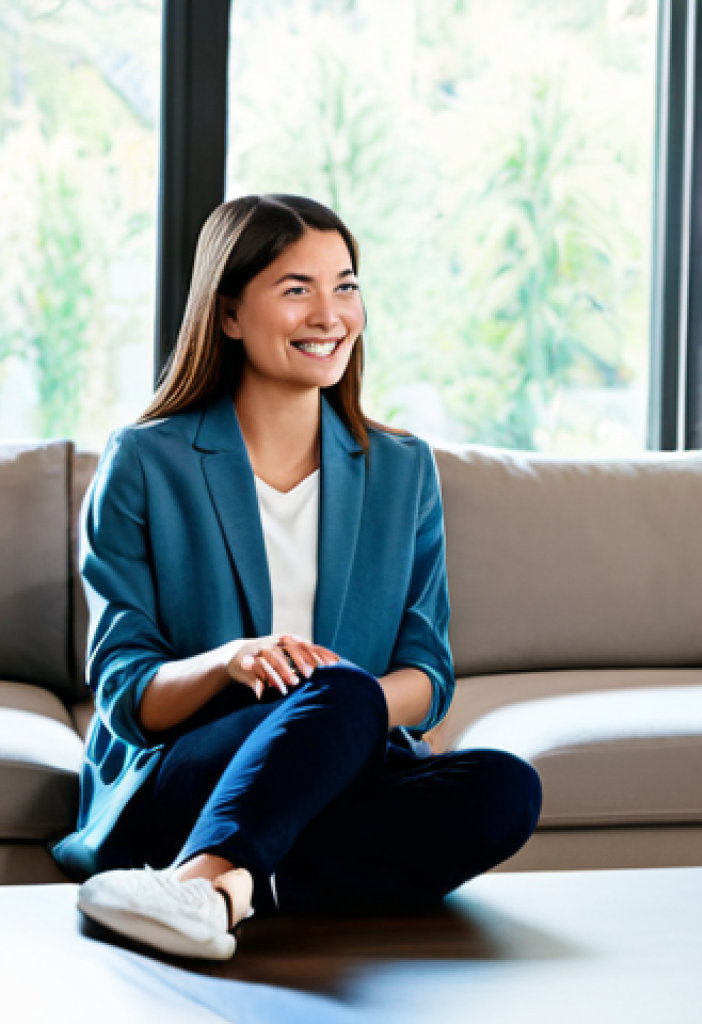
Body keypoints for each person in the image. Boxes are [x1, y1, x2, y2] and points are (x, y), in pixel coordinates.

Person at [49, 194, 543, 961]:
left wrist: (337, 723)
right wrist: (231, 661)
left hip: (344, 772)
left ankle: (223, 889)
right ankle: (211, 867)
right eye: (296, 289)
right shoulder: (147, 463)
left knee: (505, 788)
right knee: (341, 688)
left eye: (345, 285)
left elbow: (428, 674)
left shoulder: (402, 470)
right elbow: (124, 695)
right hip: (186, 775)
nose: (330, 314)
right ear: (229, 314)